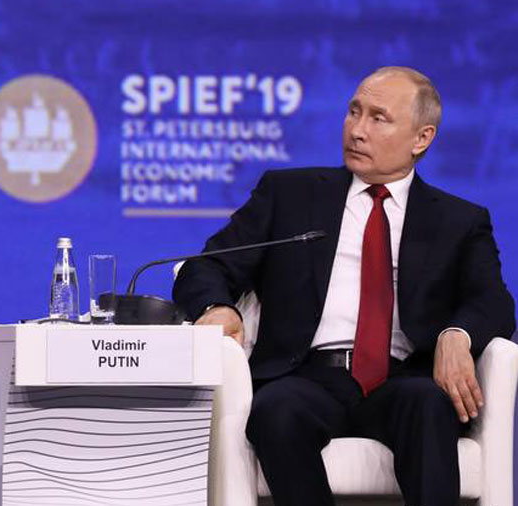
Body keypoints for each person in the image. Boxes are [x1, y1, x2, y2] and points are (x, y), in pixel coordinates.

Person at [173, 66, 515, 506]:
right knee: (276, 411)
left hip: (404, 378)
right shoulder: (289, 194)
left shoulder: (459, 220)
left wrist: (457, 334)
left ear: (421, 138)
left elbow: (493, 301)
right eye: (354, 112)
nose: (357, 130)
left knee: (428, 405)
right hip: (307, 376)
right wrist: (218, 307)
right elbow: (206, 267)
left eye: (378, 118)